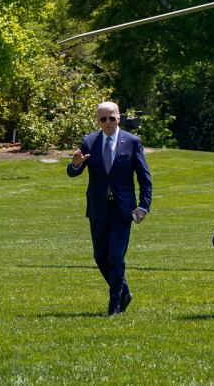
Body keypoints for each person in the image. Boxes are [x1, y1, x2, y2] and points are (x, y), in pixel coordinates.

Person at [68, 101, 152, 316]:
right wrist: (76, 164)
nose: (107, 123)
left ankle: (114, 306)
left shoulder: (132, 142)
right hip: (98, 209)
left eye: (111, 118)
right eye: (102, 119)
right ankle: (124, 291)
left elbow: (144, 178)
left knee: (116, 257)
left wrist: (143, 206)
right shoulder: (89, 141)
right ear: (98, 120)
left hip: (122, 209)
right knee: (100, 256)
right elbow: (73, 172)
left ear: (119, 118)